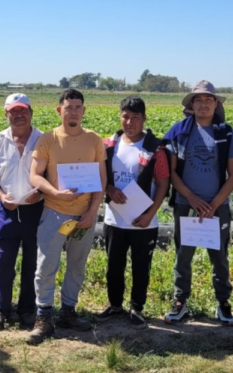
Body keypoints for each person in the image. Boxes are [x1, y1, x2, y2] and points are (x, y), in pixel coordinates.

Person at [26, 88, 107, 345]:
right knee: (46, 266)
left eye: (78, 107)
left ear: (83, 111)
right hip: (54, 212)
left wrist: (92, 211)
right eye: (68, 107)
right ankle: (44, 317)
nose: (73, 112)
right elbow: (35, 175)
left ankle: (68, 313)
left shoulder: (94, 140)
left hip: (84, 216)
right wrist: (54, 193)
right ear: (59, 110)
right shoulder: (48, 139)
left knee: (76, 266)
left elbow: (101, 180)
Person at [162, 80, 233, 326]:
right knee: (183, 256)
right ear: (191, 105)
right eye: (198, 100)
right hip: (187, 204)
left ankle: (223, 302)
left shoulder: (226, 133)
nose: (204, 104)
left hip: (217, 206)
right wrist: (193, 198)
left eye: (208, 100)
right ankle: (180, 301)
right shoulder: (178, 132)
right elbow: (171, 172)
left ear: (215, 104)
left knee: (220, 257)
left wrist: (214, 203)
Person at [96, 96, 170, 329]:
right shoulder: (108, 145)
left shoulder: (155, 148)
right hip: (114, 218)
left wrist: (151, 214)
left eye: (135, 117)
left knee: (141, 268)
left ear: (144, 118)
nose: (130, 122)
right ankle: (115, 305)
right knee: (113, 267)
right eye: (126, 116)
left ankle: (137, 308)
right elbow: (100, 177)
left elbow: (163, 183)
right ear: (120, 117)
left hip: (143, 221)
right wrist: (109, 188)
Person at [0, 93, 43, 331]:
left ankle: (27, 310)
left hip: (36, 211)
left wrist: (42, 194)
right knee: (3, 263)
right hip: (6, 212)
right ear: (6, 114)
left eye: (23, 111)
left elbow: (53, 175)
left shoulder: (44, 140)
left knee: (32, 264)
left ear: (31, 113)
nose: (18, 115)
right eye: (13, 112)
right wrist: (0, 195)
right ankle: (1, 311)